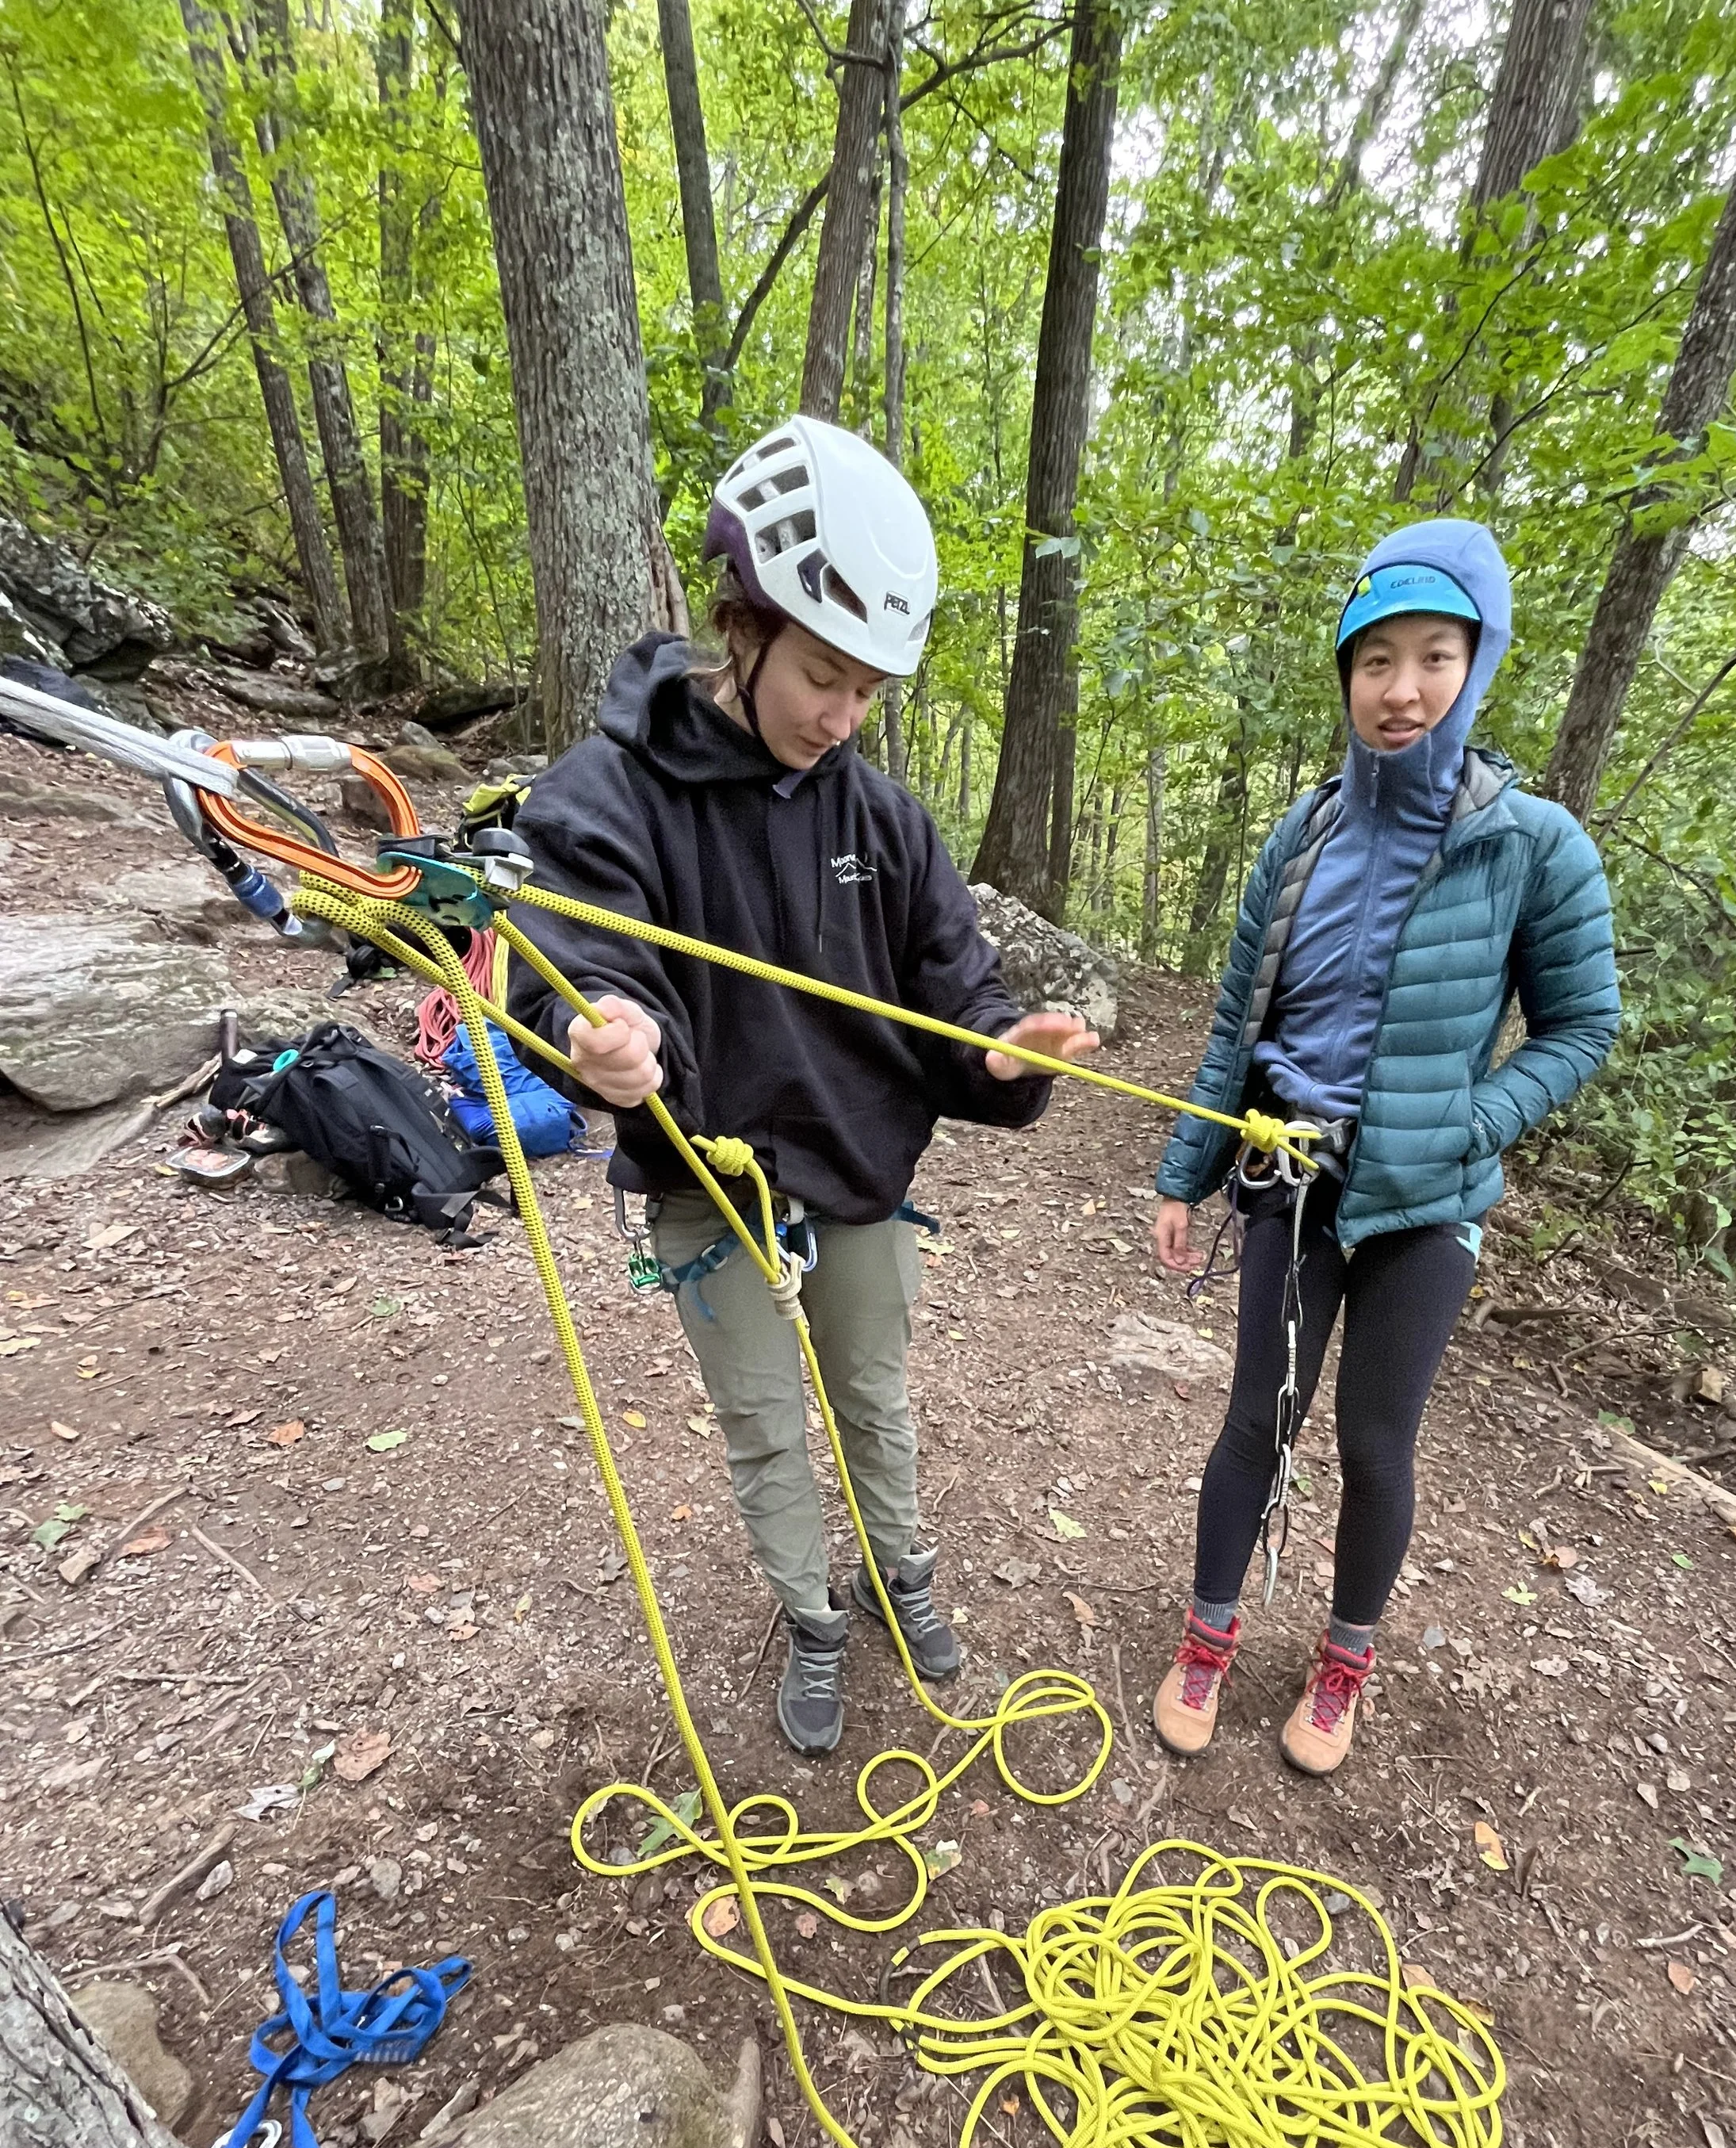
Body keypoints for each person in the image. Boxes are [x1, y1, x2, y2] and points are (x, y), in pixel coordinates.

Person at [508, 415, 1097, 1753]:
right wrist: (606, 1035)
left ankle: (903, 1581)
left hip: (857, 1173)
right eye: (824, 674)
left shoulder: (879, 820)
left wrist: (998, 1054)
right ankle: (812, 1616)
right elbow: (577, 950)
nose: (842, 718)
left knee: (873, 1400)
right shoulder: (613, 790)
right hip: (709, 1184)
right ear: (746, 626)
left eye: (869, 691)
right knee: (768, 1425)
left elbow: (957, 979)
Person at [1149, 518, 1619, 1777]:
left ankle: (1345, 1658)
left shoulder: (1534, 845)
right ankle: (1208, 1635)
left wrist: (1470, 1123)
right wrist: (1186, 1172)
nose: (1401, 690)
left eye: (1434, 656)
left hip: (1427, 1196)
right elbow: (1240, 1017)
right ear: (1346, 674)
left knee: (1373, 1441)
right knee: (1260, 1417)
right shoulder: (1299, 840)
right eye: (1375, 661)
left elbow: (1582, 1028)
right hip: (1290, 1177)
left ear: (1478, 662)